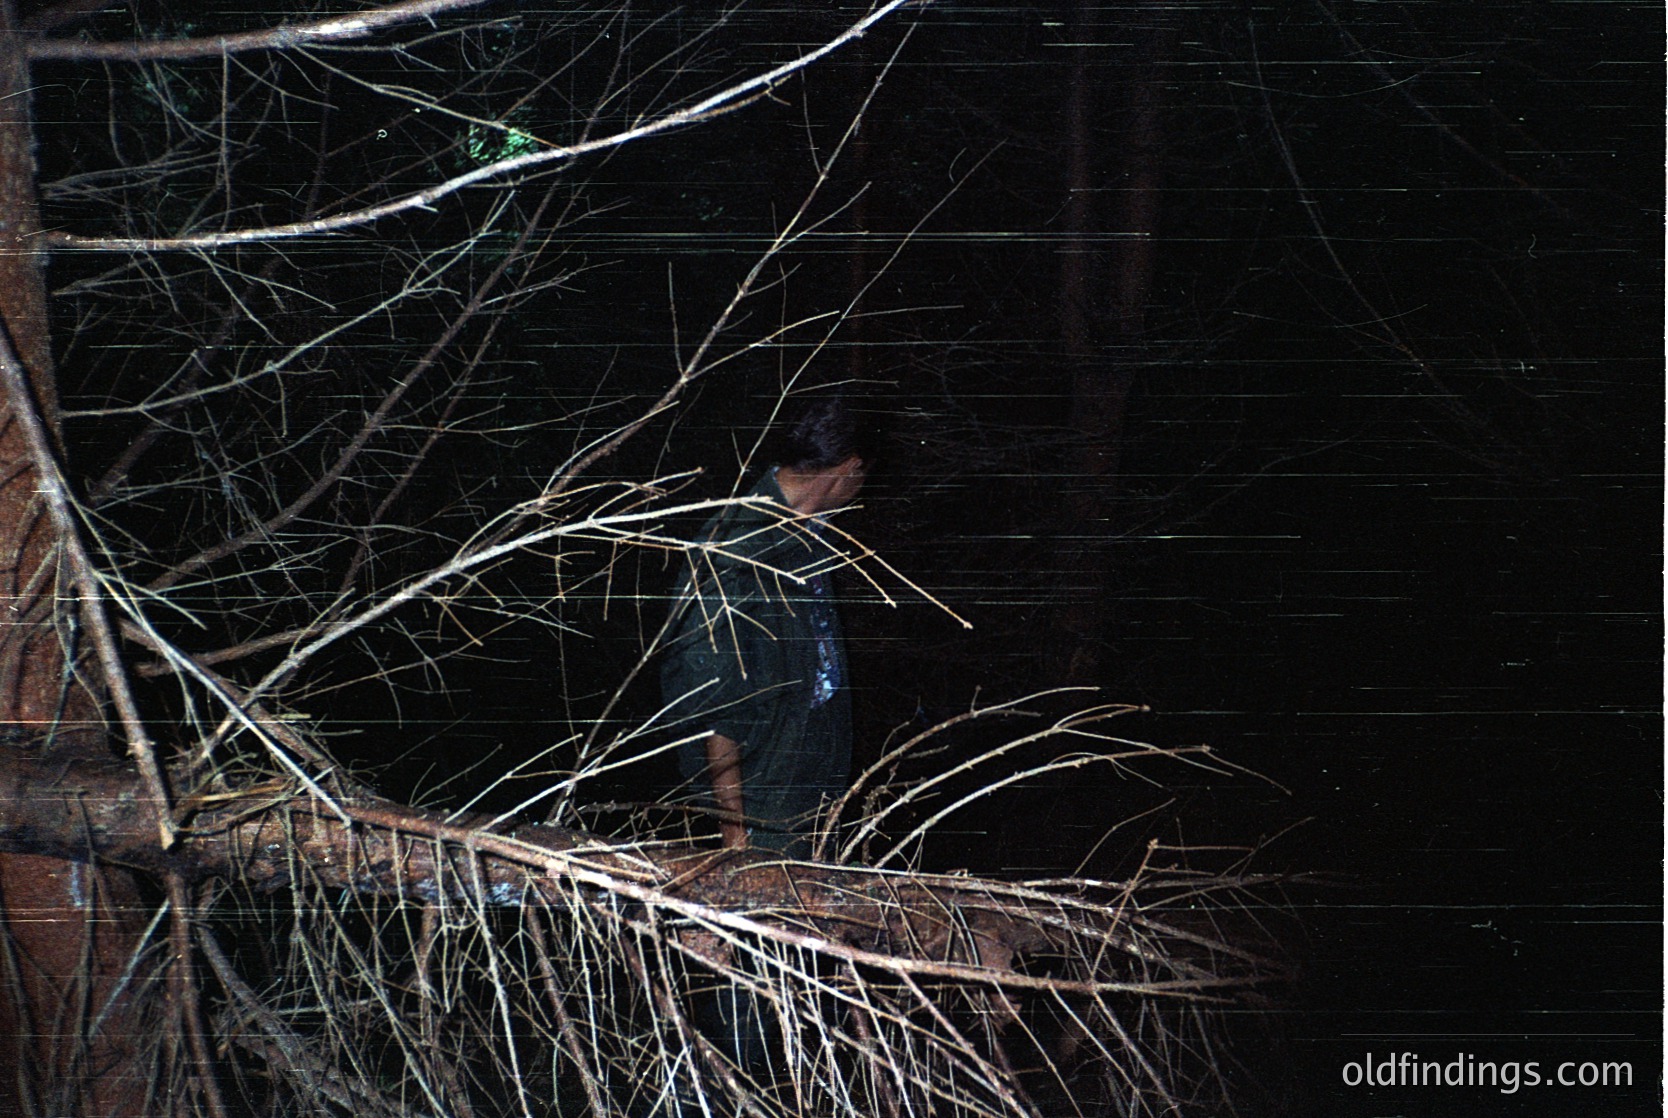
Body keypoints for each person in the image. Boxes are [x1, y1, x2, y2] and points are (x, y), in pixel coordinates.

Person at [660, 398, 876, 859]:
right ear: (850, 467)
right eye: (864, 476)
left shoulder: (810, 531)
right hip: (765, 809)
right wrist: (736, 836)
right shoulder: (734, 554)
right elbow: (711, 713)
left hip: (813, 794)